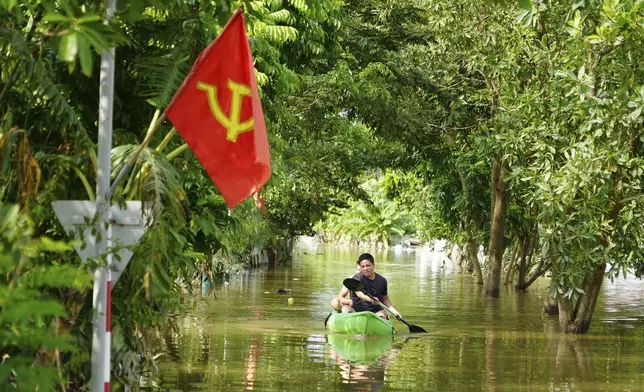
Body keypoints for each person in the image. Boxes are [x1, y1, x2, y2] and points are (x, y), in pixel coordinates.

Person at [331, 253, 401, 320]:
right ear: (360, 268)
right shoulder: (357, 278)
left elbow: (385, 300)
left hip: (375, 311)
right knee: (345, 308)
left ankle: (379, 320)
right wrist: (371, 300)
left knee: (382, 314)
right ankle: (350, 319)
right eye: (363, 267)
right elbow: (360, 294)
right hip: (356, 310)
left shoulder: (383, 280)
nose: (365, 269)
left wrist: (394, 312)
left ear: (374, 265)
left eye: (368, 266)